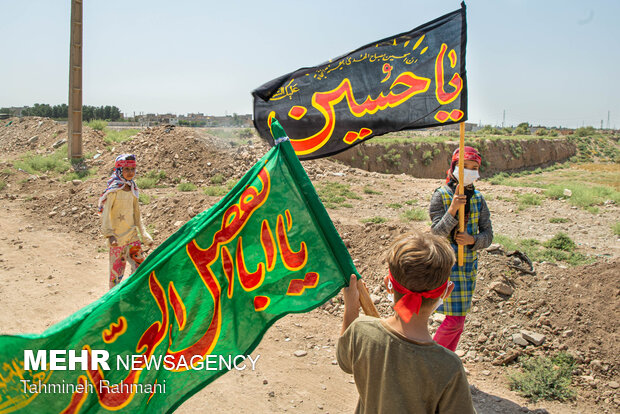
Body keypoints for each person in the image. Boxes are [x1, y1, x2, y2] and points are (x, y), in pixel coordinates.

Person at [337, 231, 476, 414]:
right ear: (446, 292)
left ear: (388, 283)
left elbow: (345, 361)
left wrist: (351, 308)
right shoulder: (448, 366)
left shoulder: (361, 331)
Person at [429, 146, 493, 351]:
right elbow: (436, 234)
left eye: (475, 168)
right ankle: (429, 358)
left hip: (467, 269)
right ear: (455, 166)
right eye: (466, 166)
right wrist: (453, 209)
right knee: (452, 320)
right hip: (445, 266)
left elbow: (488, 236)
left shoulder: (479, 199)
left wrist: (472, 240)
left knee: (459, 322)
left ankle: (446, 360)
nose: (471, 171)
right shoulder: (441, 196)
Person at [99, 154, 153, 289]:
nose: (130, 173)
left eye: (132, 169)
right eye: (126, 169)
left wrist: (144, 235)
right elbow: (106, 214)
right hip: (117, 238)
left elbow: (137, 213)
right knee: (116, 274)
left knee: (140, 267)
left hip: (132, 236)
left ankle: (132, 293)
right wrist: (109, 235)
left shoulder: (133, 188)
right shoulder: (114, 190)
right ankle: (113, 302)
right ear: (119, 170)